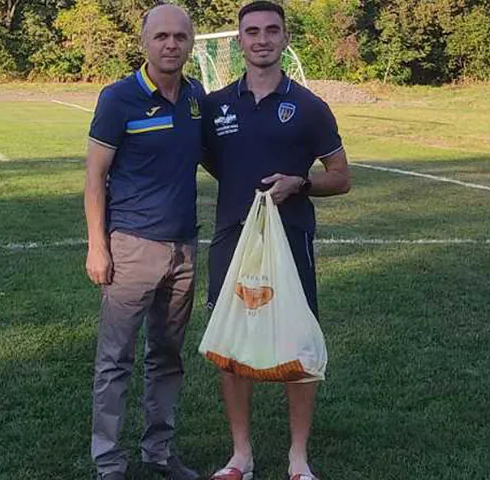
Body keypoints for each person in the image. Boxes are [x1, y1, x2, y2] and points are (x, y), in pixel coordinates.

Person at [201, 2, 351, 480]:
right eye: (252, 31)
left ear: (286, 39)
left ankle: (297, 459)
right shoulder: (216, 106)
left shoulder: (309, 106)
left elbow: (341, 176)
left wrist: (300, 184)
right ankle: (240, 456)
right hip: (232, 240)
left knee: (298, 343)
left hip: (291, 240)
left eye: (271, 31)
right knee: (230, 343)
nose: (261, 39)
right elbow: (216, 164)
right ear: (239, 41)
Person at [83, 4, 204, 480]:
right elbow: (95, 178)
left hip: (184, 249)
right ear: (144, 42)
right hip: (132, 248)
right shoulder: (119, 98)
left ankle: (159, 451)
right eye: (161, 36)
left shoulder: (196, 97)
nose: (171, 44)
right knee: (115, 359)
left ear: (190, 43)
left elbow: (212, 156)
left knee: (168, 357)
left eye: (179, 37)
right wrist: (98, 246)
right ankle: (109, 462)